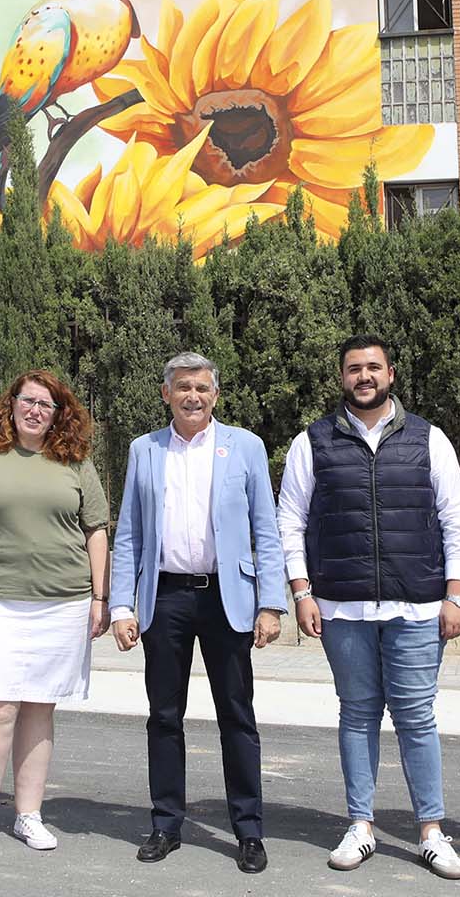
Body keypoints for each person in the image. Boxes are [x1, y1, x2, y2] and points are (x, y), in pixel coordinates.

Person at [276, 334, 460, 881]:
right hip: (342, 608)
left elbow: (458, 519)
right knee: (358, 715)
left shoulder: (429, 439)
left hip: (418, 607)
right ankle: (360, 825)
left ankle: (432, 833)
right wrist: (301, 591)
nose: (363, 376)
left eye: (373, 367)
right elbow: (289, 521)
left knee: (416, 718)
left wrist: (455, 595)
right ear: (342, 377)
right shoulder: (311, 442)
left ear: (391, 374)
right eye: (353, 369)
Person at [109, 352, 288, 874]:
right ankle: (166, 824)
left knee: (237, 716)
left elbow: (266, 530)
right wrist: (122, 603)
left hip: (226, 598)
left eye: (203, 387)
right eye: (183, 387)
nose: (193, 396)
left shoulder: (245, 447)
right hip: (163, 599)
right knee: (164, 716)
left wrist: (270, 603)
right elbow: (129, 534)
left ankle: (249, 831)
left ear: (216, 394)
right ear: (166, 393)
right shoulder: (144, 450)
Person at [0, 369, 110, 863]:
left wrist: (100, 598)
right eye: (27, 400)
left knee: (39, 707)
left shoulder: (75, 461)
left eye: (46, 404)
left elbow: (96, 529)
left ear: (60, 414)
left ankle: (28, 815)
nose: (35, 410)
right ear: (11, 403)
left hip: (64, 602)